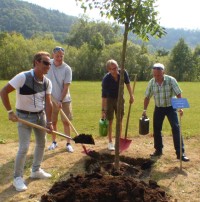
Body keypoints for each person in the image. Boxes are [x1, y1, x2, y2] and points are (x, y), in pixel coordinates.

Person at [0, 51, 53, 192]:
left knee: (42, 143)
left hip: (40, 116)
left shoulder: (47, 82)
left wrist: (50, 123)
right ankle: (17, 178)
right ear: (36, 62)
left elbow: (48, 104)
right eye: (46, 63)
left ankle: (36, 170)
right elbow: (3, 91)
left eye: (50, 63)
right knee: (24, 147)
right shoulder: (23, 77)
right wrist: (10, 112)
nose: (49, 66)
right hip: (23, 116)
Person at [142, 63, 189, 161]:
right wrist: (144, 110)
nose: (156, 77)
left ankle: (180, 153)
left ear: (163, 72)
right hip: (158, 108)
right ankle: (158, 150)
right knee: (156, 129)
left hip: (171, 107)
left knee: (176, 128)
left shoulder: (171, 80)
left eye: (158, 75)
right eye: (154, 75)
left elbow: (178, 93)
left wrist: (180, 107)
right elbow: (147, 97)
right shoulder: (152, 82)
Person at [101, 59, 134, 151]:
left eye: (116, 67)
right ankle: (110, 142)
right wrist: (103, 111)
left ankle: (118, 141)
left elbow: (128, 84)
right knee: (110, 121)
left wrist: (131, 96)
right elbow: (103, 97)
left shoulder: (123, 73)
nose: (115, 70)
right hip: (109, 100)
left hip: (120, 99)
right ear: (109, 70)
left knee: (119, 120)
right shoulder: (106, 79)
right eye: (113, 69)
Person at [46, 46, 73, 152]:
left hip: (64, 100)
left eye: (61, 56)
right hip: (50, 99)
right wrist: (53, 99)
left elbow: (66, 87)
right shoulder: (48, 64)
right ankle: (54, 142)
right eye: (57, 56)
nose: (59, 58)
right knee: (53, 122)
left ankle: (68, 143)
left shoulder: (67, 68)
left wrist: (60, 100)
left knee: (66, 122)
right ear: (53, 55)